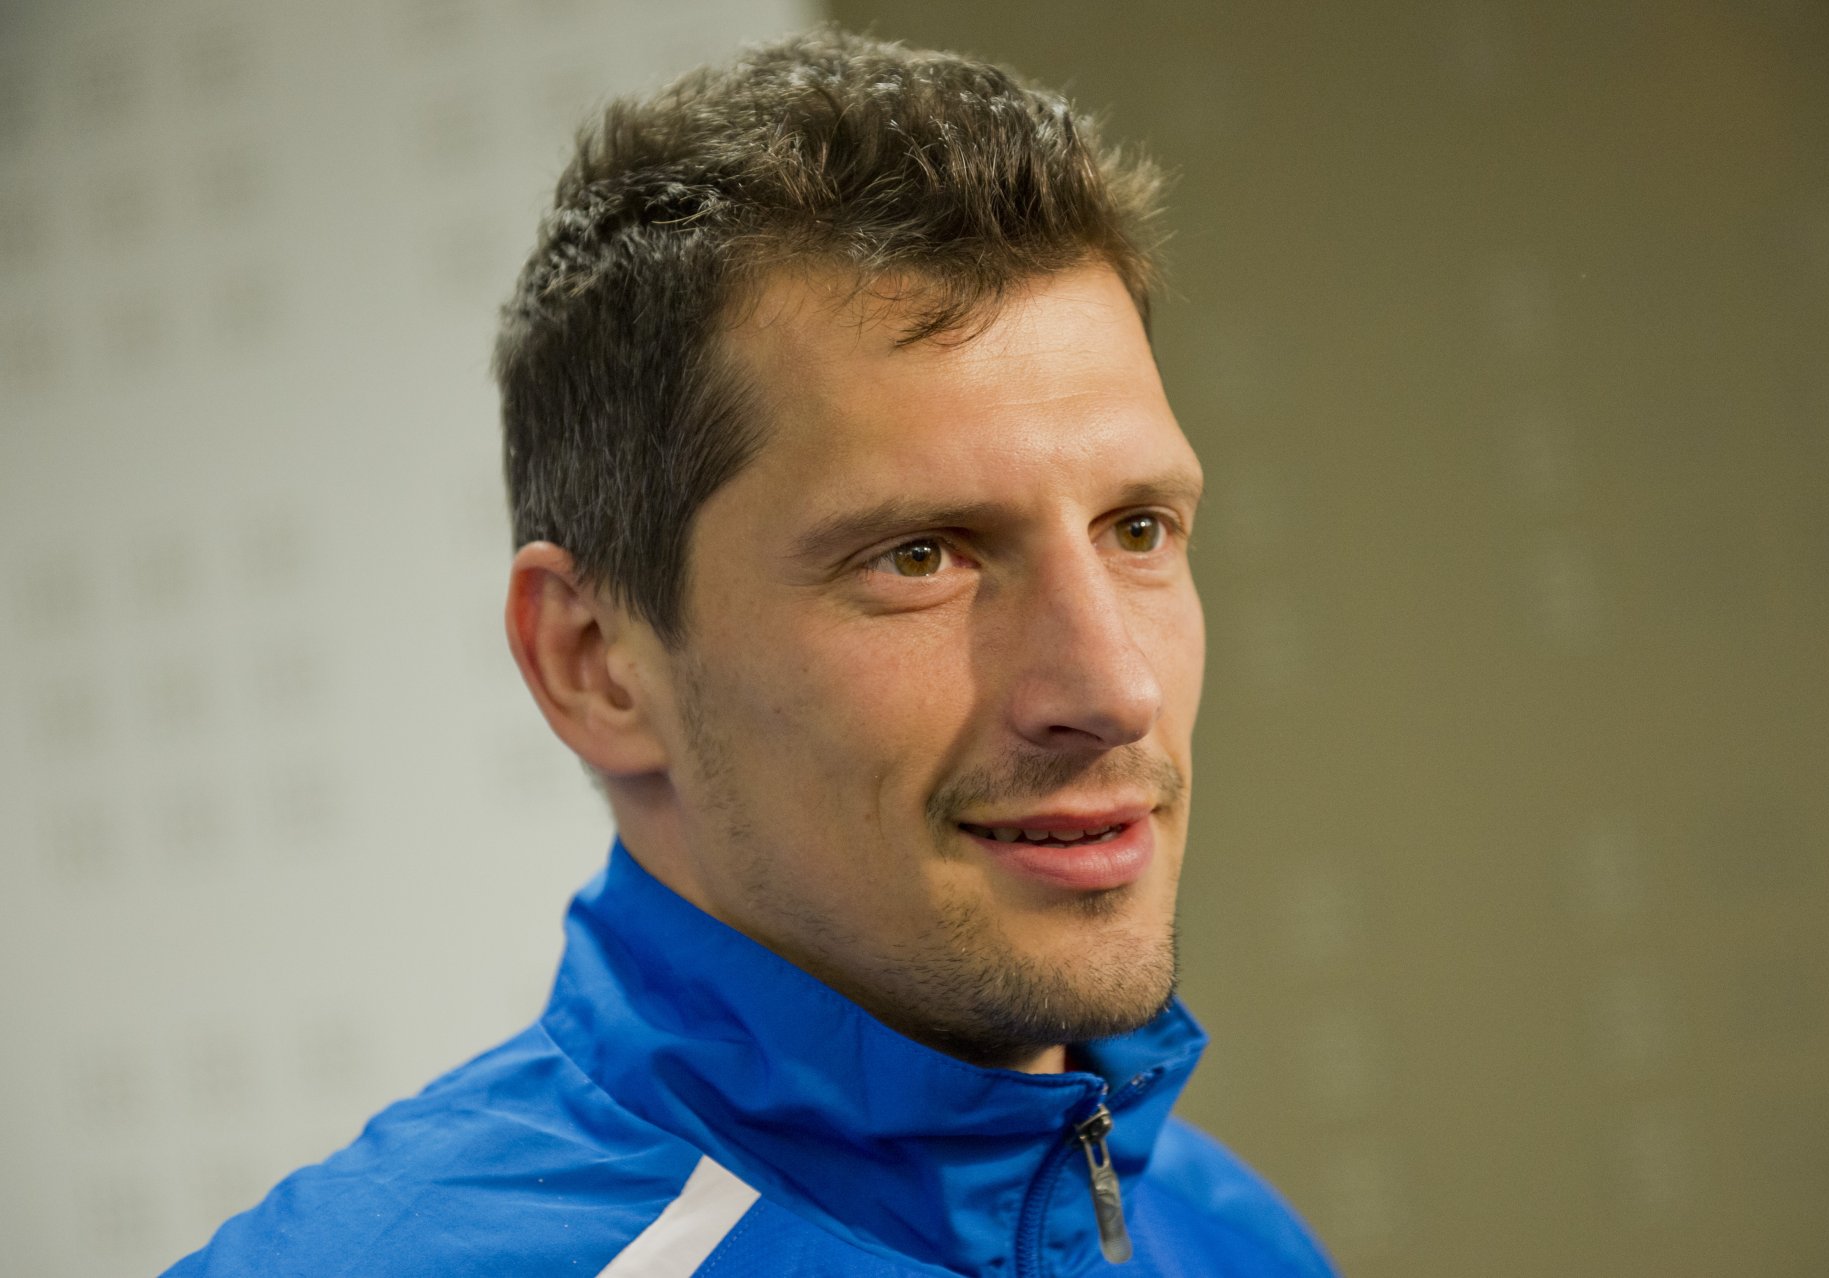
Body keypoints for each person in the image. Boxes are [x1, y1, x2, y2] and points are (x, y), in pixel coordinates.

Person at [164, 27, 1336, 1278]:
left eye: (1137, 529)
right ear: (594, 663)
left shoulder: (1234, 1237)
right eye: (920, 556)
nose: (1115, 689)